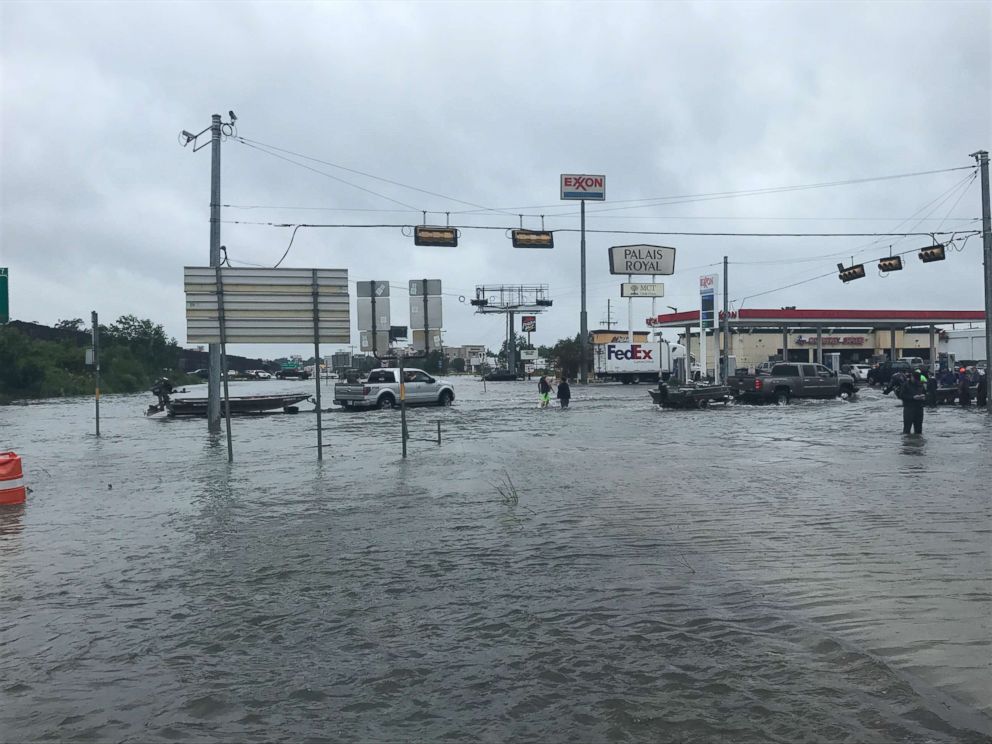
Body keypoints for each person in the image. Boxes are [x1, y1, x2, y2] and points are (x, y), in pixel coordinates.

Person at [899, 369, 926, 435]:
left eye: (917, 380)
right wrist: (912, 397)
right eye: (914, 378)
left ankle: (918, 442)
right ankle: (907, 443)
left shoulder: (921, 385)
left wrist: (923, 397)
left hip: (919, 408)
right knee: (907, 429)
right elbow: (902, 395)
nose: (915, 380)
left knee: (918, 430)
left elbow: (926, 395)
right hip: (909, 408)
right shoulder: (906, 385)